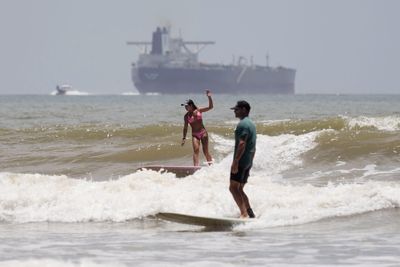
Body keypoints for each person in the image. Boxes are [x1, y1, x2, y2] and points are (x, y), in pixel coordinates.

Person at [229, 100, 257, 218]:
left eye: (236, 109)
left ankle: (243, 213)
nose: (234, 111)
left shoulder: (243, 125)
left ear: (244, 110)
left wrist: (235, 162)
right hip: (248, 161)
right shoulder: (251, 123)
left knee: (233, 188)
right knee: (239, 188)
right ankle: (249, 211)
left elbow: (242, 144)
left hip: (241, 161)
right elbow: (253, 145)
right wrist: (250, 161)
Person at [181, 90, 213, 166]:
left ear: (191, 105)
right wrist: (184, 138)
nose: (185, 107)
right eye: (184, 106)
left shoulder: (198, 110)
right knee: (196, 150)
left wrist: (209, 97)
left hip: (203, 133)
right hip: (195, 134)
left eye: (186, 106)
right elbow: (185, 128)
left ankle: (211, 166)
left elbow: (210, 107)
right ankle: (195, 168)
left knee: (205, 151)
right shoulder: (186, 116)